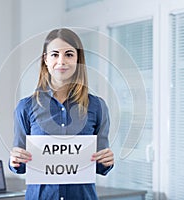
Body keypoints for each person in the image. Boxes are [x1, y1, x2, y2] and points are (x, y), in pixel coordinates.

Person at [9, 28, 114, 200]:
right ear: (45, 60)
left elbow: (101, 167)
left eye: (69, 54)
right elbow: (19, 165)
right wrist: (15, 159)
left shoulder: (97, 106)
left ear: (78, 59)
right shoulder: (25, 107)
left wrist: (107, 160)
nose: (61, 61)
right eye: (55, 54)